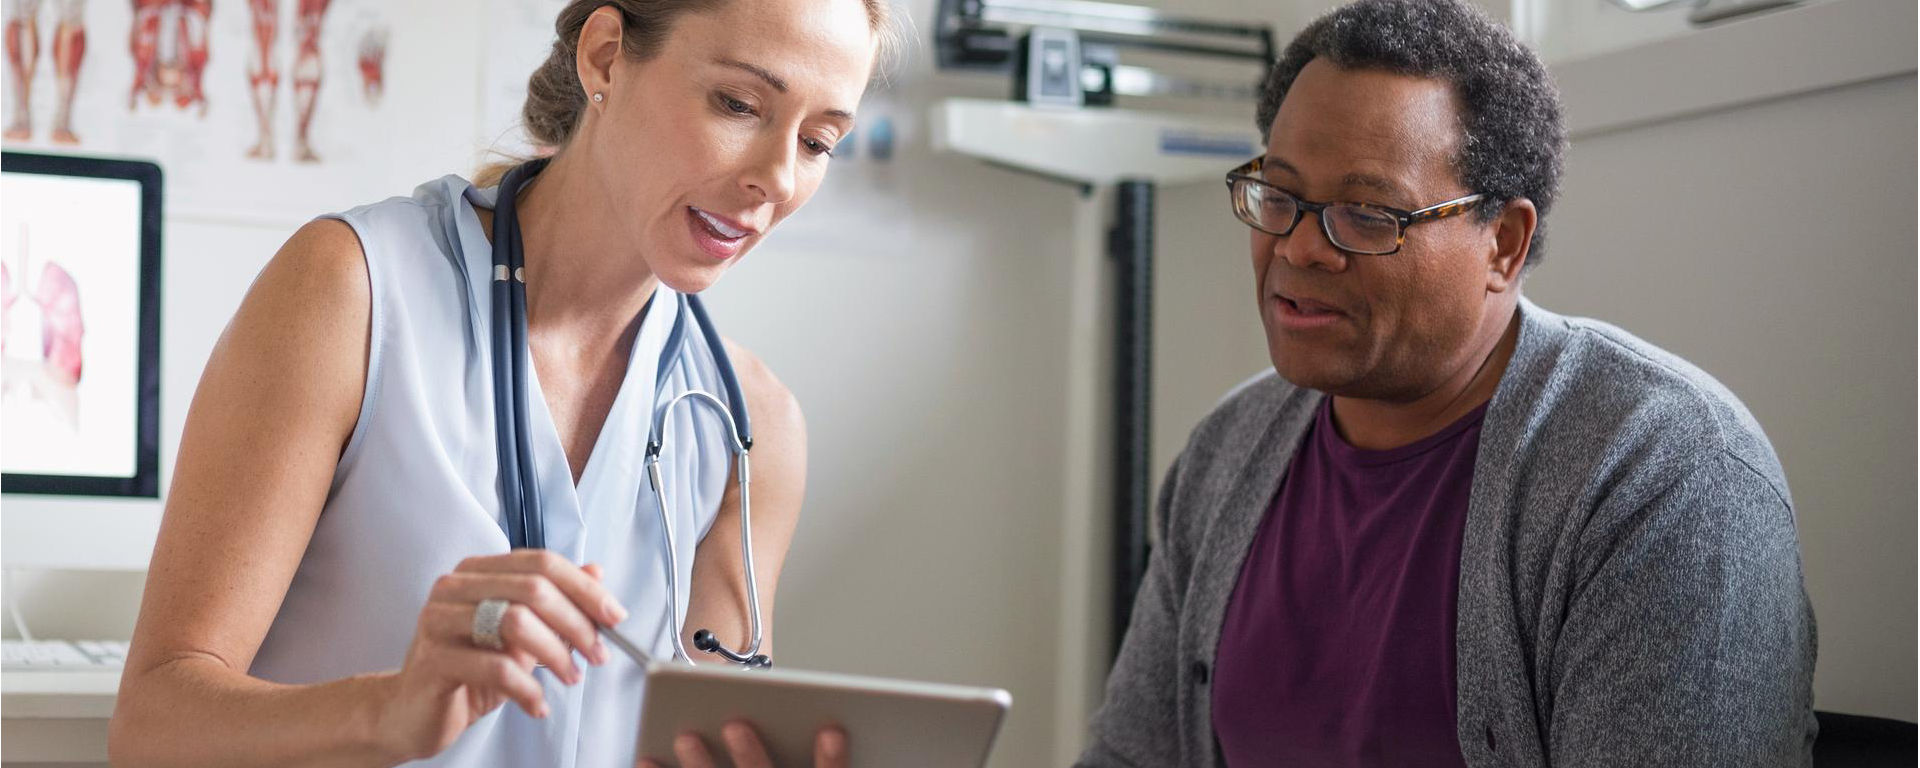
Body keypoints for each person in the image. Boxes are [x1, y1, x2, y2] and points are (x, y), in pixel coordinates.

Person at [108, 1, 893, 765]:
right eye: (738, 103)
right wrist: (388, 712)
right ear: (607, 56)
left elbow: (702, 736)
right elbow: (153, 728)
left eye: (820, 142)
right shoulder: (353, 292)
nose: (777, 178)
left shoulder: (749, 427)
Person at [1078, 1, 1817, 766]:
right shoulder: (1228, 450)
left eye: (1366, 214)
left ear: (1503, 243)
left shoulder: (1665, 477)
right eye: (1281, 196)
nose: (1299, 248)